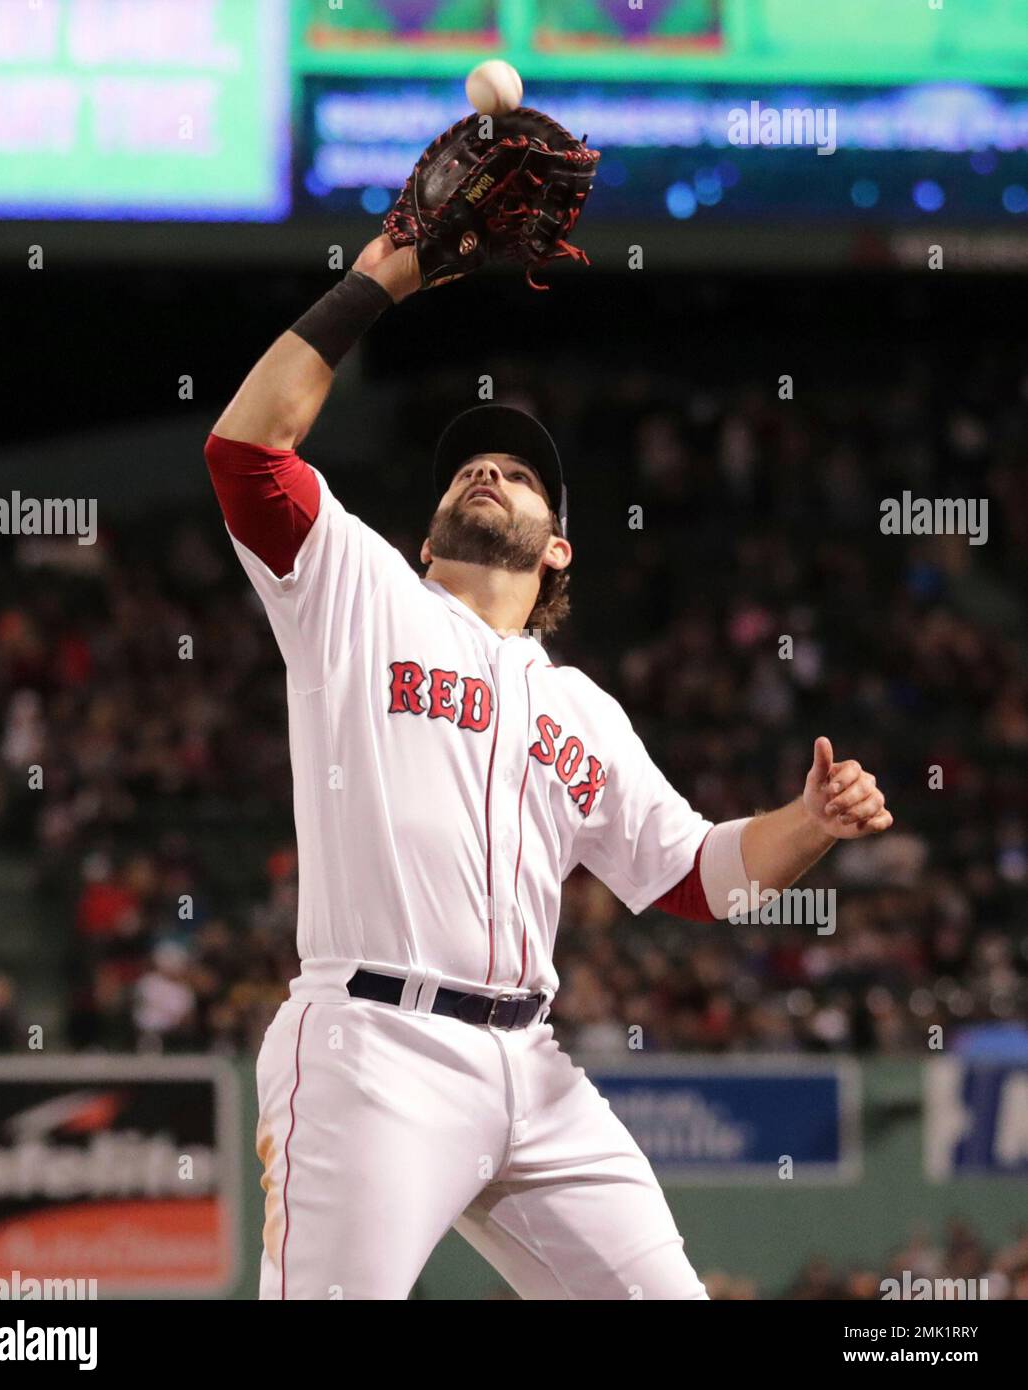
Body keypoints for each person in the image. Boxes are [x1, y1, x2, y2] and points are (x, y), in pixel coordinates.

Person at [204, 235, 893, 1300]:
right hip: (372, 1049)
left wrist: (809, 818)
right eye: (469, 468)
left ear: (559, 547)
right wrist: (381, 278)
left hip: (532, 1064)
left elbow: (696, 876)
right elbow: (246, 450)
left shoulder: (581, 709)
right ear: (428, 539)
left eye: (519, 475)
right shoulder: (361, 591)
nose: (486, 471)